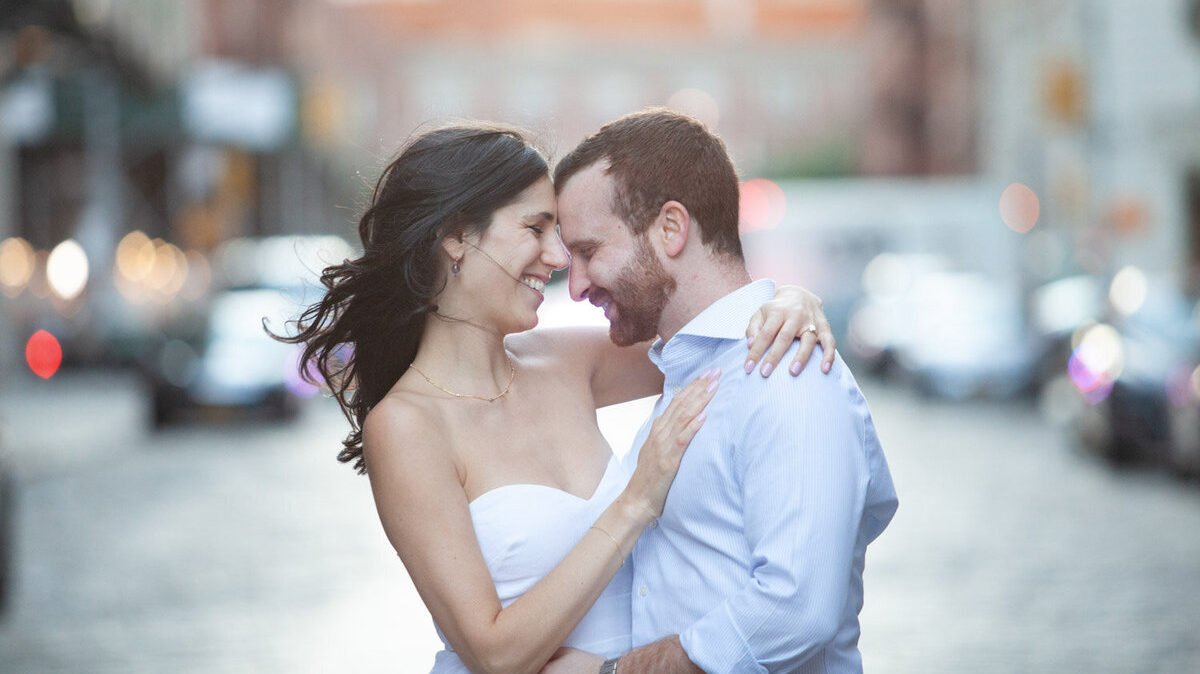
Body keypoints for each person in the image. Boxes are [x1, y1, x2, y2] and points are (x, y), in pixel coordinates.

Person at [277, 121, 838, 674]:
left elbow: (710, 333)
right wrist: (636, 501)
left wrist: (788, 301)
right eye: (536, 229)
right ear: (456, 236)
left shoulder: (569, 360)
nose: (558, 258)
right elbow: (494, 655)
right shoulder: (406, 426)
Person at [548, 108, 899, 674]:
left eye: (589, 251)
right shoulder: (693, 367)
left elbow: (798, 610)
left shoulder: (788, 371)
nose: (578, 283)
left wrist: (618, 673)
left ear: (670, 228)